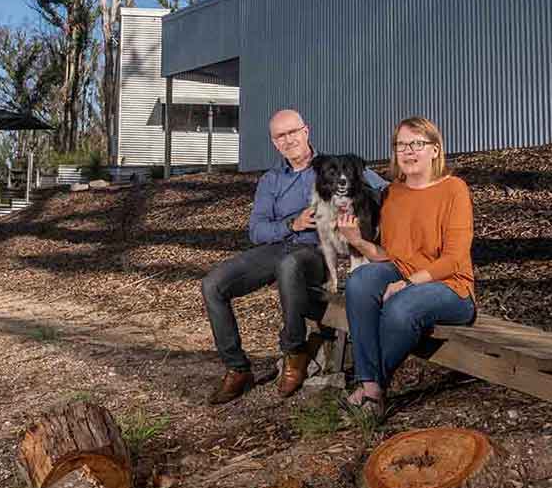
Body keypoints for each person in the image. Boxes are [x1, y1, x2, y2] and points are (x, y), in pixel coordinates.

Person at [202, 109, 387, 405]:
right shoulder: (271, 180)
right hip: (278, 245)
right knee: (213, 284)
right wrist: (292, 224)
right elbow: (256, 230)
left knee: (290, 265)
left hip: (317, 251)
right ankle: (237, 368)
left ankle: (294, 351)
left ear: (306, 131)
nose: (288, 140)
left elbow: (384, 190)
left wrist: (368, 223)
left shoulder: (335, 165)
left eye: (293, 132)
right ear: (274, 143)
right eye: (280, 136)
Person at [336, 116, 476, 419]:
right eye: (401, 145)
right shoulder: (392, 193)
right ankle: (372, 389)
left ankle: (367, 390)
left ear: (435, 150)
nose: (408, 151)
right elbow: (390, 255)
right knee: (360, 281)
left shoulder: (454, 189)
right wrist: (357, 241)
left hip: (451, 287)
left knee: (402, 306)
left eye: (417, 144)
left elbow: (454, 259)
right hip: (402, 273)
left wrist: (409, 283)